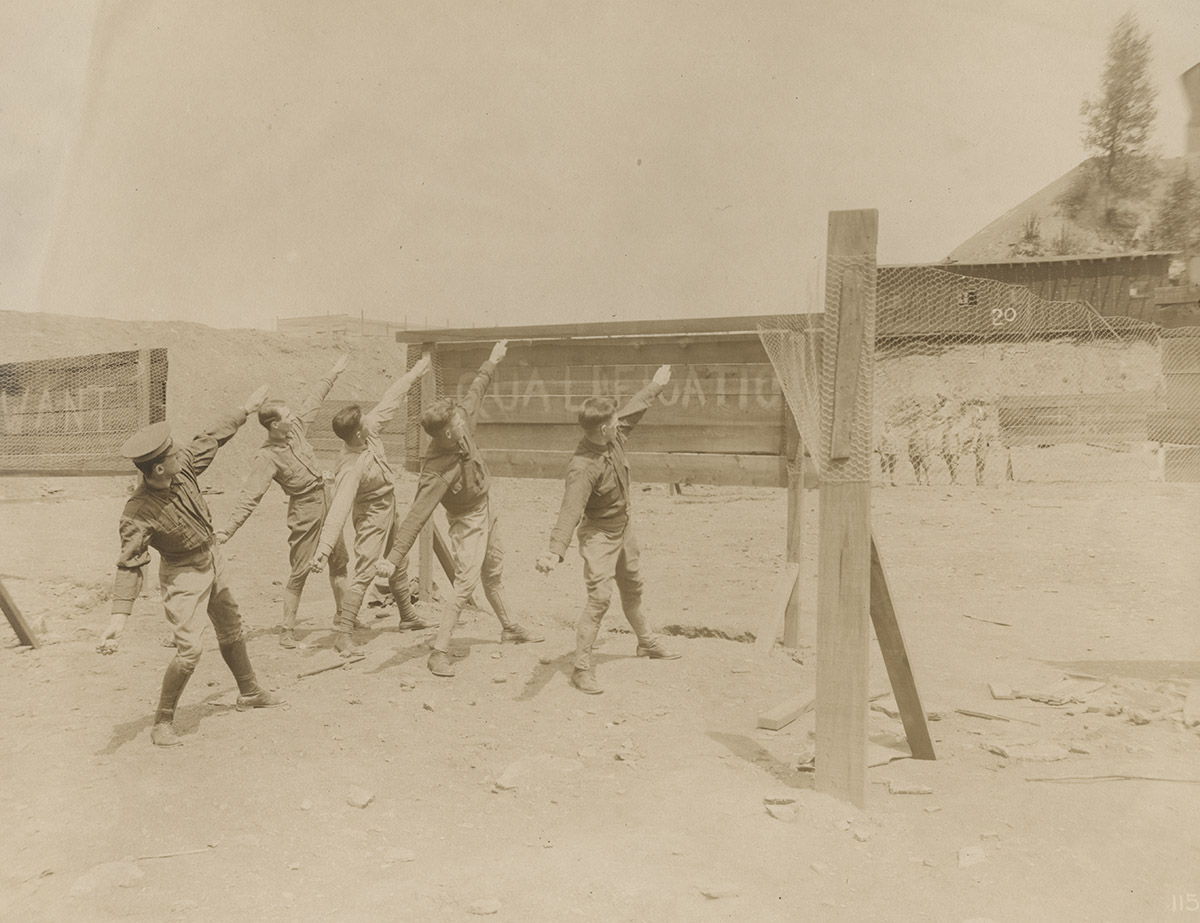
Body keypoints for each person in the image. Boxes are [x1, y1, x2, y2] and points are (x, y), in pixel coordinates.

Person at [96, 386, 283, 747]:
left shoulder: (182, 468)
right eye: (172, 452)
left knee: (232, 627)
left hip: (213, 557)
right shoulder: (138, 512)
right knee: (190, 651)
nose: (180, 451)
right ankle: (162, 722)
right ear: (159, 467)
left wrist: (245, 408)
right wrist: (119, 617)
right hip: (183, 574)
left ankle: (250, 692)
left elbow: (210, 438)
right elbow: (130, 563)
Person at [375, 339, 543, 678]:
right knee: (465, 584)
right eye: (457, 425)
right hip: (467, 520)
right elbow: (416, 516)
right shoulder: (436, 468)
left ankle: (509, 627)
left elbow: (476, 392)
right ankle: (438, 652)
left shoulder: (459, 421)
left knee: (493, 572)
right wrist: (392, 560)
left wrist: (492, 361)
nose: (463, 423)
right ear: (446, 434)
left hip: (487, 505)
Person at [535, 365, 681, 695]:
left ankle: (646, 643)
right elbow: (569, 511)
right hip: (598, 535)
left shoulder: (612, 439)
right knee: (600, 598)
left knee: (633, 586)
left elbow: (632, 412)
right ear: (603, 429)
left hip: (623, 528)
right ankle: (582, 668)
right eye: (614, 423)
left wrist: (656, 385)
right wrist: (553, 551)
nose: (619, 425)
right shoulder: (582, 468)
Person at [216, 355, 351, 648]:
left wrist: (334, 371)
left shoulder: (297, 428)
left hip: (327, 501)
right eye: (286, 416)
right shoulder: (266, 457)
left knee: (339, 561)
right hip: (304, 510)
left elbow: (316, 396)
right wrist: (228, 530)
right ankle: (287, 630)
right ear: (274, 425)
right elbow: (249, 497)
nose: (293, 417)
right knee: (301, 568)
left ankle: (344, 617)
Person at [310, 356, 432, 656]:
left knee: (397, 560)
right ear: (358, 433)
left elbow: (391, 398)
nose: (370, 418)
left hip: (389, 505)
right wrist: (324, 549)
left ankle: (407, 616)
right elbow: (338, 508)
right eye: (365, 420)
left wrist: (414, 373)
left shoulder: (368, 431)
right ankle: (343, 633)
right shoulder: (351, 467)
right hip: (370, 515)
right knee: (365, 569)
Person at [875, 421, 899, 486]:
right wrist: (882, 453)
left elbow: (896, 444)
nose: (889, 427)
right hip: (885, 452)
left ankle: (892, 481)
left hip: (892, 453)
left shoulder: (893, 435)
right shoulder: (882, 434)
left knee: (892, 468)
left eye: (890, 426)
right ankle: (883, 481)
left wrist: (896, 453)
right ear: (885, 426)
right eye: (887, 426)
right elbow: (879, 444)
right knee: (884, 467)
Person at [940, 416, 962, 485]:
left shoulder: (957, 430)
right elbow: (942, 441)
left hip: (954, 450)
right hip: (947, 451)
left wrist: (959, 451)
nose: (950, 423)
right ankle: (952, 479)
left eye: (951, 421)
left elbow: (960, 442)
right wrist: (941, 450)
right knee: (949, 466)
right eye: (949, 422)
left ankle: (955, 480)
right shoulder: (945, 431)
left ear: (954, 422)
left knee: (954, 465)